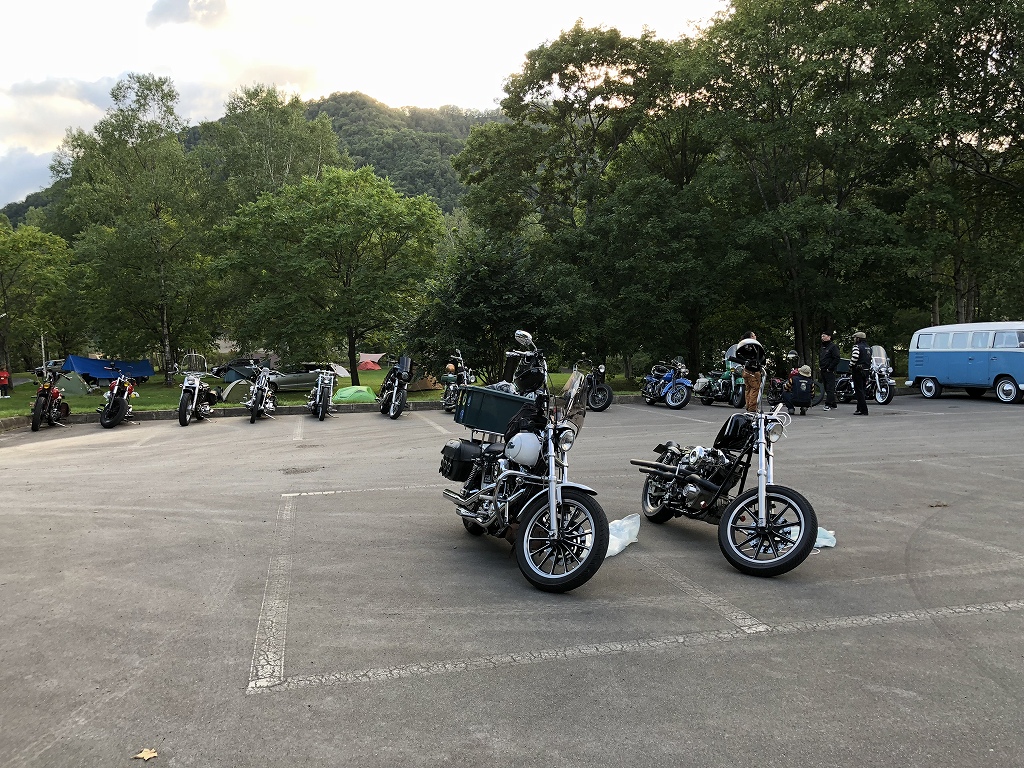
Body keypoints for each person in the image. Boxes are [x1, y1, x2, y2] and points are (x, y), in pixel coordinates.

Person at [734, 332, 765, 413]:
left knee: (748, 389)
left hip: (746, 371)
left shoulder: (743, 346)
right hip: (753, 372)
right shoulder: (754, 346)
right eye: (754, 335)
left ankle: (748, 406)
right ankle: (752, 408)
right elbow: (760, 357)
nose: (755, 336)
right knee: (755, 389)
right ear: (751, 337)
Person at [850, 331, 871, 415]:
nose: (854, 340)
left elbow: (855, 357)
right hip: (866, 370)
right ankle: (858, 408)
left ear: (858, 338)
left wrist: (851, 365)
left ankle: (863, 410)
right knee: (863, 390)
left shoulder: (857, 346)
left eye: (855, 338)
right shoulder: (868, 347)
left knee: (859, 391)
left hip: (858, 370)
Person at [819, 331, 840, 411]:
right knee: (826, 386)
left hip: (830, 370)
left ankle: (828, 404)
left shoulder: (833, 347)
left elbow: (836, 358)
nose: (822, 338)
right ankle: (833, 403)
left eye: (824, 336)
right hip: (823, 369)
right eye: (822, 336)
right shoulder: (823, 347)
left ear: (829, 337)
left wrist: (830, 368)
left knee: (830, 387)